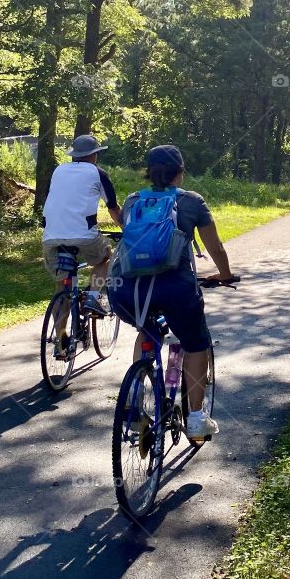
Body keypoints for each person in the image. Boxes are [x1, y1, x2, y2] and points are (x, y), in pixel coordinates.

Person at [109, 144, 235, 444]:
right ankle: (195, 419)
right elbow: (215, 248)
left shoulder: (132, 200)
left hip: (128, 292)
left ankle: (134, 403)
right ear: (181, 171)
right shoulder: (192, 201)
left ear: (148, 171)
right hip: (175, 289)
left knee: (148, 331)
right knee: (195, 343)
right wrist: (225, 275)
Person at [42, 134, 122, 332]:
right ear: (94, 155)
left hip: (51, 235)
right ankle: (93, 299)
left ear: (74, 155)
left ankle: (60, 339)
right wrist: (128, 230)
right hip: (84, 235)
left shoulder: (58, 171)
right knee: (105, 258)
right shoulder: (97, 173)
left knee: (62, 284)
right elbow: (113, 208)